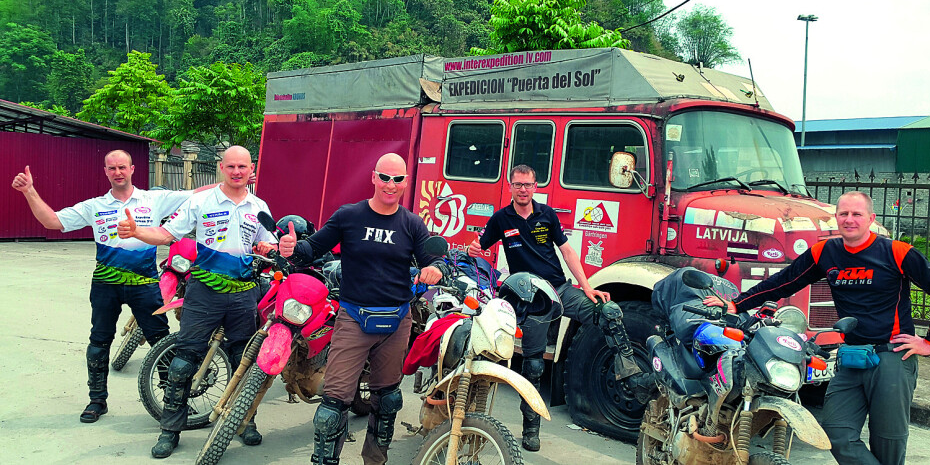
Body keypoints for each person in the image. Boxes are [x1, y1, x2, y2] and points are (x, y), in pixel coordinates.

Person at [705, 191, 930, 465]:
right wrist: (737, 304)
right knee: (837, 433)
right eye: (844, 214)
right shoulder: (826, 252)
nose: (850, 220)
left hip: (892, 358)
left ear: (871, 219)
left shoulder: (896, 252)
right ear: (836, 218)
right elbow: (784, 281)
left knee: (888, 441)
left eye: (857, 214)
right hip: (851, 357)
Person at [10, 150, 210, 425]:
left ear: (132, 169)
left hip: (145, 285)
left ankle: (171, 401)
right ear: (105, 171)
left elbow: (198, 193)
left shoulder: (154, 200)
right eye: (112, 168)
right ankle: (97, 400)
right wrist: (29, 191)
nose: (118, 172)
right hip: (106, 284)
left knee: (161, 340)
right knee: (99, 340)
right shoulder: (95, 206)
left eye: (122, 167)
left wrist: (235, 182)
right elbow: (52, 222)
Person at [278, 152, 443, 465]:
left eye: (397, 179)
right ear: (373, 178)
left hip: (396, 321)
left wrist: (435, 268)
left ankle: (375, 461)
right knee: (332, 406)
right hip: (353, 318)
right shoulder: (349, 216)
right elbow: (312, 249)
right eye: (384, 177)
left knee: (388, 400)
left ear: (406, 182)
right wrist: (291, 249)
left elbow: (434, 259)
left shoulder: (411, 224)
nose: (390, 185)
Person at [468, 164, 644, 452]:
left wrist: (586, 286)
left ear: (536, 187)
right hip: (530, 297)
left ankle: (633, 378)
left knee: (608, 312)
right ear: (511, 187)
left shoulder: (547, 215)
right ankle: (531, 428)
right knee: (534, 366)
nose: (522, 189)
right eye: (517, 184)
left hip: (559, 290)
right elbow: (479, 246)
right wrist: (473, 249)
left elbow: (567, 250)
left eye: (527, 184)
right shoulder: (501, 218)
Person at [117, 146, 277, 458]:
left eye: (242, 166)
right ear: (221, 167)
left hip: (244, 293)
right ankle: (170, 429)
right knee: (182, 362)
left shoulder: (259, 206)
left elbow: (270, 243)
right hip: (204, 291)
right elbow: (166, 235)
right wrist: (137, 231)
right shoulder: (200, 201)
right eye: (230, 166)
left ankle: (245, 421)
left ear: (251, 168)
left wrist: (276, 246)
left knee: (244, 362)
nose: (236, 172)